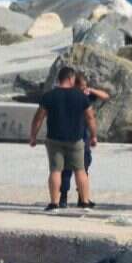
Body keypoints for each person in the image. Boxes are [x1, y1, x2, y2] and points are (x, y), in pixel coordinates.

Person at [29, 66, 98, 211]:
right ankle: (85, 202)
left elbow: (38, 118)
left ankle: (54, 203)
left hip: (54, 139)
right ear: (71, 79)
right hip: (76, 139)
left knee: (55, 170)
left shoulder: (49, 96)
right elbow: (90, 117)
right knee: (80, 170)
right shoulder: (80, 96)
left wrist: (33, 136)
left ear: (59, 79)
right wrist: (94, 136)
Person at [58, 73, 110, 208]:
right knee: (67, 168)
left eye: (85, 86)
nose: (83, 89)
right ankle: (63, 197)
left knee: (83, 167)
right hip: (71, 135)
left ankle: (82, 198)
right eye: (81, 86)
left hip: (82, 135)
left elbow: (105, 96)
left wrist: (91, 90)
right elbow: (90, 118)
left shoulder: (85, 96)